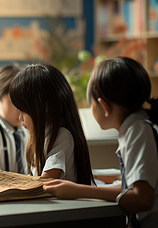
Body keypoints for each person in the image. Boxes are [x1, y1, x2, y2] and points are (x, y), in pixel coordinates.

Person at [43, 57, 158, 228]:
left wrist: (76, 191)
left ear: (103, 106)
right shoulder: (137, 126)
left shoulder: (137, 131)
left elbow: (142, 199)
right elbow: (137, 186)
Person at [9, 63, 94, 185]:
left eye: (24, 110)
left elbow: (46, 182)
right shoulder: (40, 135)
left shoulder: (62, 136)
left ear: (45, 107)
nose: (20, 117)